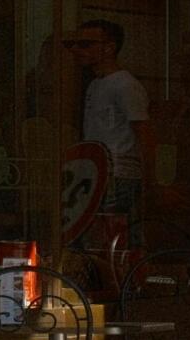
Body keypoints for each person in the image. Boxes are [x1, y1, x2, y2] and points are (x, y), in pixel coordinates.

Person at [65, 19, 155, 218]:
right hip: (98, 171)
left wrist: (150, 181)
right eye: (75, 44)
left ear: (109, 48)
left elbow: (144, 131)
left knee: (116, 231)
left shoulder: (125, 85)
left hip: (119, 172)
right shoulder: (96, 84)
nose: (77, 50)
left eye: (86, 44)